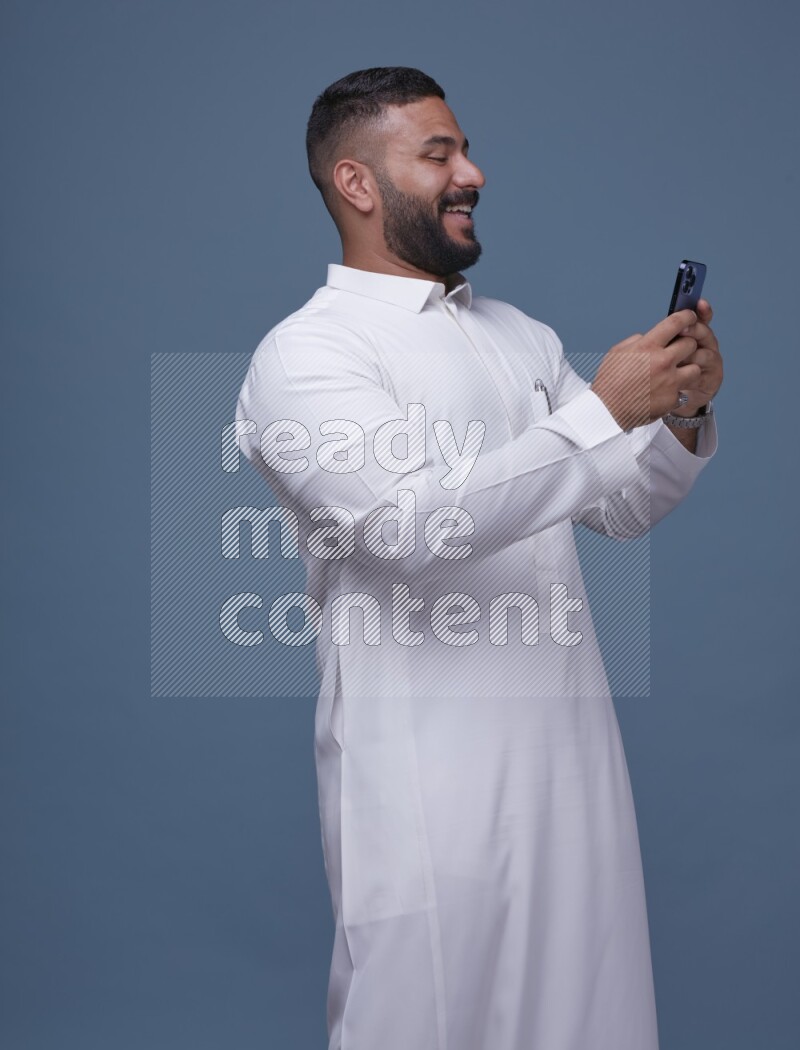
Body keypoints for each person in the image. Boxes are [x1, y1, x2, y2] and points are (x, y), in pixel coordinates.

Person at [235, 66, 722, 1050]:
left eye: (464, 147)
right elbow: (406, 532)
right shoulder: (306, 357)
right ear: (357, 184)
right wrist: (599, 410)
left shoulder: (516, 335)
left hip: (572, 782)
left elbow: (617, 503)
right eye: (438, 153)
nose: (474, 171)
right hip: (426, 793)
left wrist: (677, 411)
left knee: (590, 1026)